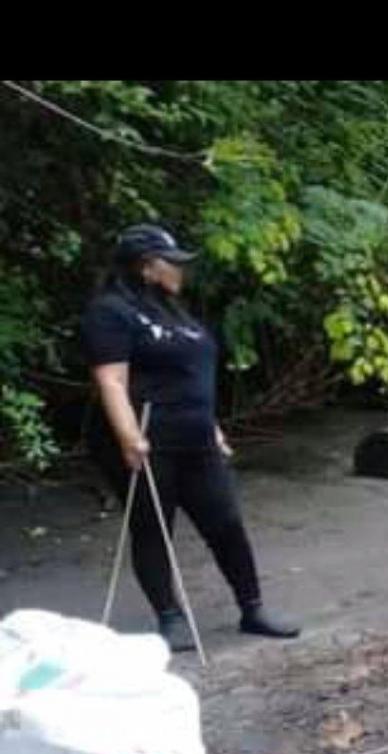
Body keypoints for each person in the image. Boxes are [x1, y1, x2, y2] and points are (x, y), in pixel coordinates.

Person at [82, 224, 300, 651]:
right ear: (146, 267)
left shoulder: (175, 311)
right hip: (147, 437)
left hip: (195, 436)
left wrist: (211, 425)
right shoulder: (110, 312)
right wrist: (129, 438)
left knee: (226, 522)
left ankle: (252, 608)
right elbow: (111, 380)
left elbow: (191, 375)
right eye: (173, 262)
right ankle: (170, 616)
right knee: (153, 528)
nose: (181, 269)